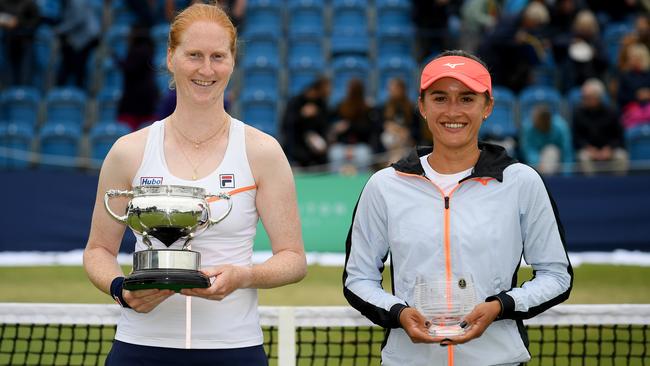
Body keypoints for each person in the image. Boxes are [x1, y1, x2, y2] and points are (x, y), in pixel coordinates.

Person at [83, 4, 306, 365]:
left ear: (233, 61)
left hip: (233, 348)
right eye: (194, 55)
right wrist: (120, 289)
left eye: (218, 56)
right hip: (140, 346)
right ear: (171, 57)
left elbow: (294, 260)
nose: (206, 69)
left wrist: (242, 276)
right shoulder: (128, 152)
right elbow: (98, 251)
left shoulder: (262, 151)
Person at [343, 50, 573, 365]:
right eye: (440, 98)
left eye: (467, 98)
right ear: (422, 106)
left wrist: (501, 306)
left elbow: (556, 276)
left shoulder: (521, 182)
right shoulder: (384, 185)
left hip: (498, 360)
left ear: (488, 106)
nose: (453, 111)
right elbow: (358, 279)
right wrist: (399, 313)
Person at [572, 78, 628, 175]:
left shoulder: (612, 112)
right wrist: (588, 148)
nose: (584, 100)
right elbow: (576, 138)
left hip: (609, 150)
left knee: (621, 156)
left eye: (588, 97)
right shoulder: (578, 113)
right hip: (589, 151)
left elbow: (619, 137)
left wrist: (609, 148)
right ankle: (591, 187)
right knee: (583, 157)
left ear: (598, 97)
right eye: (583, 97)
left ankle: (618, 186)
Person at [327, 78, 379, 174]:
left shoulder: (367, 108)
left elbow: (369, 130)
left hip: (360, 146)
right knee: (334, 153)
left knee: (363, 154)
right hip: (343, 145)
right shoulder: (341, 106)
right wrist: (336, 128)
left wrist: (349, 126)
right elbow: (330, 124)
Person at [280, 76, 331, 168]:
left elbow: (325, 124)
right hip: (297, 140)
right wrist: (302, 115)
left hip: (315, 142)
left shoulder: (321, 103)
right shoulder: (296, 102)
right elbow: (286, 124)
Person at [115, 25, 160, 130]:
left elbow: (130, 68)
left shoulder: (137, 52)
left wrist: (117, 61)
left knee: (130, 133)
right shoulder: (150, 50)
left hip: (134, 100)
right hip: (147, 99)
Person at [54, 0, 101, 89]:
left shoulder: (77, 1)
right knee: (72, 67)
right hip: (80, 37)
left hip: (87, 37)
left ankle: (81, 94)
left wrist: (60, 29)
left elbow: (79, 19)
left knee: (79, 69)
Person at [519, 104, 574, 175]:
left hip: (557, 162)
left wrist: (567, 174)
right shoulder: (528, 127)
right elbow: (528, 149)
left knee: (551, 151)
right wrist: (537, 162)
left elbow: (567, 151)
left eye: (536, 119)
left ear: (547, 120)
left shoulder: (561, 126)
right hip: (535, 165)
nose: (533, 121)